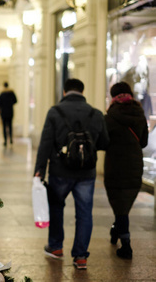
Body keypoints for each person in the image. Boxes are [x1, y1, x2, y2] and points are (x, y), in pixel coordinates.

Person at [34, 78, 109, 270]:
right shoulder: (96, 113)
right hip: (87, 172)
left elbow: (46, 143)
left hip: (60, 170)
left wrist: (39, 170)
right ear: (83, 92)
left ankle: (56, 247)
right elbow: (104, 143)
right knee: (84, 213)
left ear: (65, 92)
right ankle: (81, 256)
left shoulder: (55, 112)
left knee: (57, 207)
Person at [104, 82, 148, 259]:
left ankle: (126, 245)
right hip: (134, 165)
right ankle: (116, 231)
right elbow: (143, 142)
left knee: (119, 207)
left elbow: (103, 141)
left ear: (113, 96)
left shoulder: (109, 117)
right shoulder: (140, 114)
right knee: (123, 205)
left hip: (115, 165)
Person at [0, 82, 17, 146]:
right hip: (10, 111)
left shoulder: (2, 94)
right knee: (10, 126)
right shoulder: (12, 93)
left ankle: (5, 140)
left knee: (4, 126)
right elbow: (15, 101)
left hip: (4, 112)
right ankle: (10, 139)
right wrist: (10, 104)